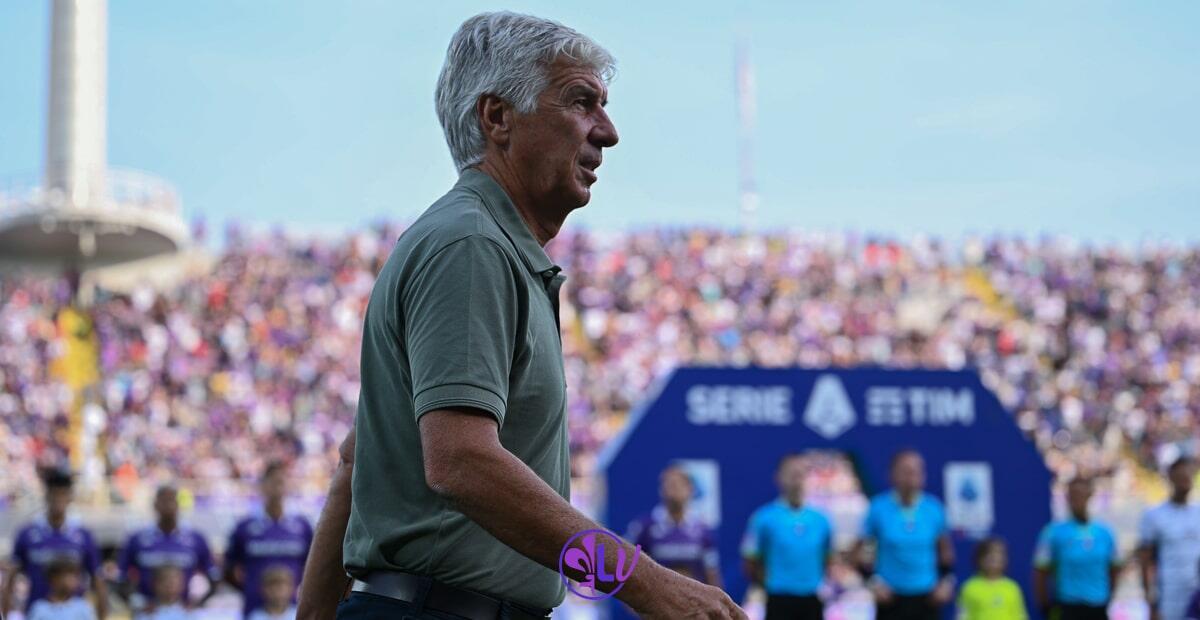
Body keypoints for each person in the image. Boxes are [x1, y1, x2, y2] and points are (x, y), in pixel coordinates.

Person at [332, 11, 744, 620]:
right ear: (498, 118)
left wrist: (315, 611)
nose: (608, 131)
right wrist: (644, 583)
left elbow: (358, 452)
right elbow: (460, 460)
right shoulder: (471, 244)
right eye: (582, 103)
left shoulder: (480, 242)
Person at [856, 450, 955, 620]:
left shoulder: (934, 509)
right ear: (892, 475)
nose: (911, 476)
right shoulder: (878, 509)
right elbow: (861, 553)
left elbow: (945, 552)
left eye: (916, 471)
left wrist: (946, 582)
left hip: (926, 599)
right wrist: (872, 582)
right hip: (891, 600)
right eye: (905, 471)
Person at [2, 468, 107, 619]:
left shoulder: (83, 536)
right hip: (38, 614)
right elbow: (11, 580)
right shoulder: (28, 534)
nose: (59, 500)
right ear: (47, 495)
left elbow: (98, 581)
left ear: (70, 496)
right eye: (54, 493)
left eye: (63, 493)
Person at [741, 453, 833, 620]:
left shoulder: (821, 519)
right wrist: (768, 585)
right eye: (790, 473)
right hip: (779, 599)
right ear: (778, 478)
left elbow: (827, 558)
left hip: (812, 599)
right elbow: (751, 560)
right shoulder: (763, 518)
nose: (796, 479)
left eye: (800, 473)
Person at [226, 461, 313, 619]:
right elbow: (228, 569)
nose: (277, 487)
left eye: (281, 482)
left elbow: (314, 568)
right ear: (262, 486)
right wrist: (249, 589)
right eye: (272, 482)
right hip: (254, 609)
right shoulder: (244, 527)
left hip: (293, 610)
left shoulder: (302, 527)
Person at [119, 484, 219, 614]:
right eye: (163, 501)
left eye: (171, 500)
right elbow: (120, 580)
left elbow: (214, 578)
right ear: (155, 505)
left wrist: (197, 603)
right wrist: (137, 603)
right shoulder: (137, 539)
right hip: (148, 613)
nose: (168, 506)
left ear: (178, 505)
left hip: (182, 613)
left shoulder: (195, 539)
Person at [1033, 477, 1121, 620]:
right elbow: (1041, 571)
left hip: (1098, 606)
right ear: (1067, 498)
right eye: (1073, 495)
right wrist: (1045, 606)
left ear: (1090, 495)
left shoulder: (1105, 532)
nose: (1077, 500)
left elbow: (1115, 568)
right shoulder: (1053, 532)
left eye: (1081, 494)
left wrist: (1108, 597)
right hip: (1068, 606)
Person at [626, 465, 721, 586]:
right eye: (669, 485)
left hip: (693, 599)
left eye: (678, 485)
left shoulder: (703, 529)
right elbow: (630, 569)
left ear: (690, 489)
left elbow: (711, 572)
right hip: (655, 599)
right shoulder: (645, 526)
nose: (673, 490)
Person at [1139, 456, 1200, 620]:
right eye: (1180, 476)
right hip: (1168, 599)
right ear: (1171, 477)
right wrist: (1150, 602)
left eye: (1188, 475)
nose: (1185, 480)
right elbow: (1145, 562)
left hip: (1196, 598)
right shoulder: (1154, 515)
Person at [957, 538, 1027, 620]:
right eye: (990, 555)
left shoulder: (1012, 587)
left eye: (999, 555)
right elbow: (962, 615)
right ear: (979, 558)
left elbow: (1020, 615)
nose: (995, 559)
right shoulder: (969, 587)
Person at [26, 558, 97, 620]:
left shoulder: (83, 607)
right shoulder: (39, 609)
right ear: (54, 578)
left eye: (76, 575)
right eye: (70, 575)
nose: (75, 580)